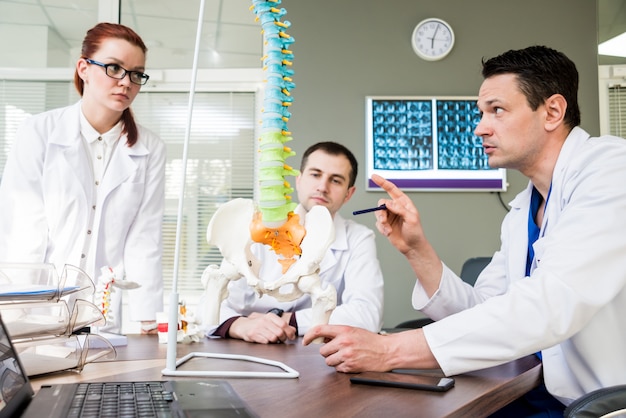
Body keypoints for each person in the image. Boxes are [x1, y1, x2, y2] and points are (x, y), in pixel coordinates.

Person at [303, 45, 626, 415]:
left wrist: (391, 349)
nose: (479, 127)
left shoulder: (611, 170)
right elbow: (485, 311)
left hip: (596, 406)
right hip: (536, 391)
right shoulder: (522, 210)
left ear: (552, 111)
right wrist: (416, 249)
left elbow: (551, 303)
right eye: (481, 113)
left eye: (497, 111)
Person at [0, 22, 165, 334]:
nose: (126, 82)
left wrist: (149, 318)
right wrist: (21, 315)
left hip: (103, 314)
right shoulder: (39, 132)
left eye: (136, 74)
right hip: (39, 309)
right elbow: (22, 230)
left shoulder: (150, 148)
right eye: (114, 68)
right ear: (84, 68)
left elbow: (144, 238)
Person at [211, 141, 384, 344]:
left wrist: (286, 320)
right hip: (248, 349)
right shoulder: (257, 229)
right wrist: (239, 325)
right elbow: (212, 300)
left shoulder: (359, 238)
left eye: (336, 180)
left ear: (349, 193)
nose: (322, 187)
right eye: (315, 174)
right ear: (299, 180)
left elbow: (367, 314)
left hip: (318, 356)